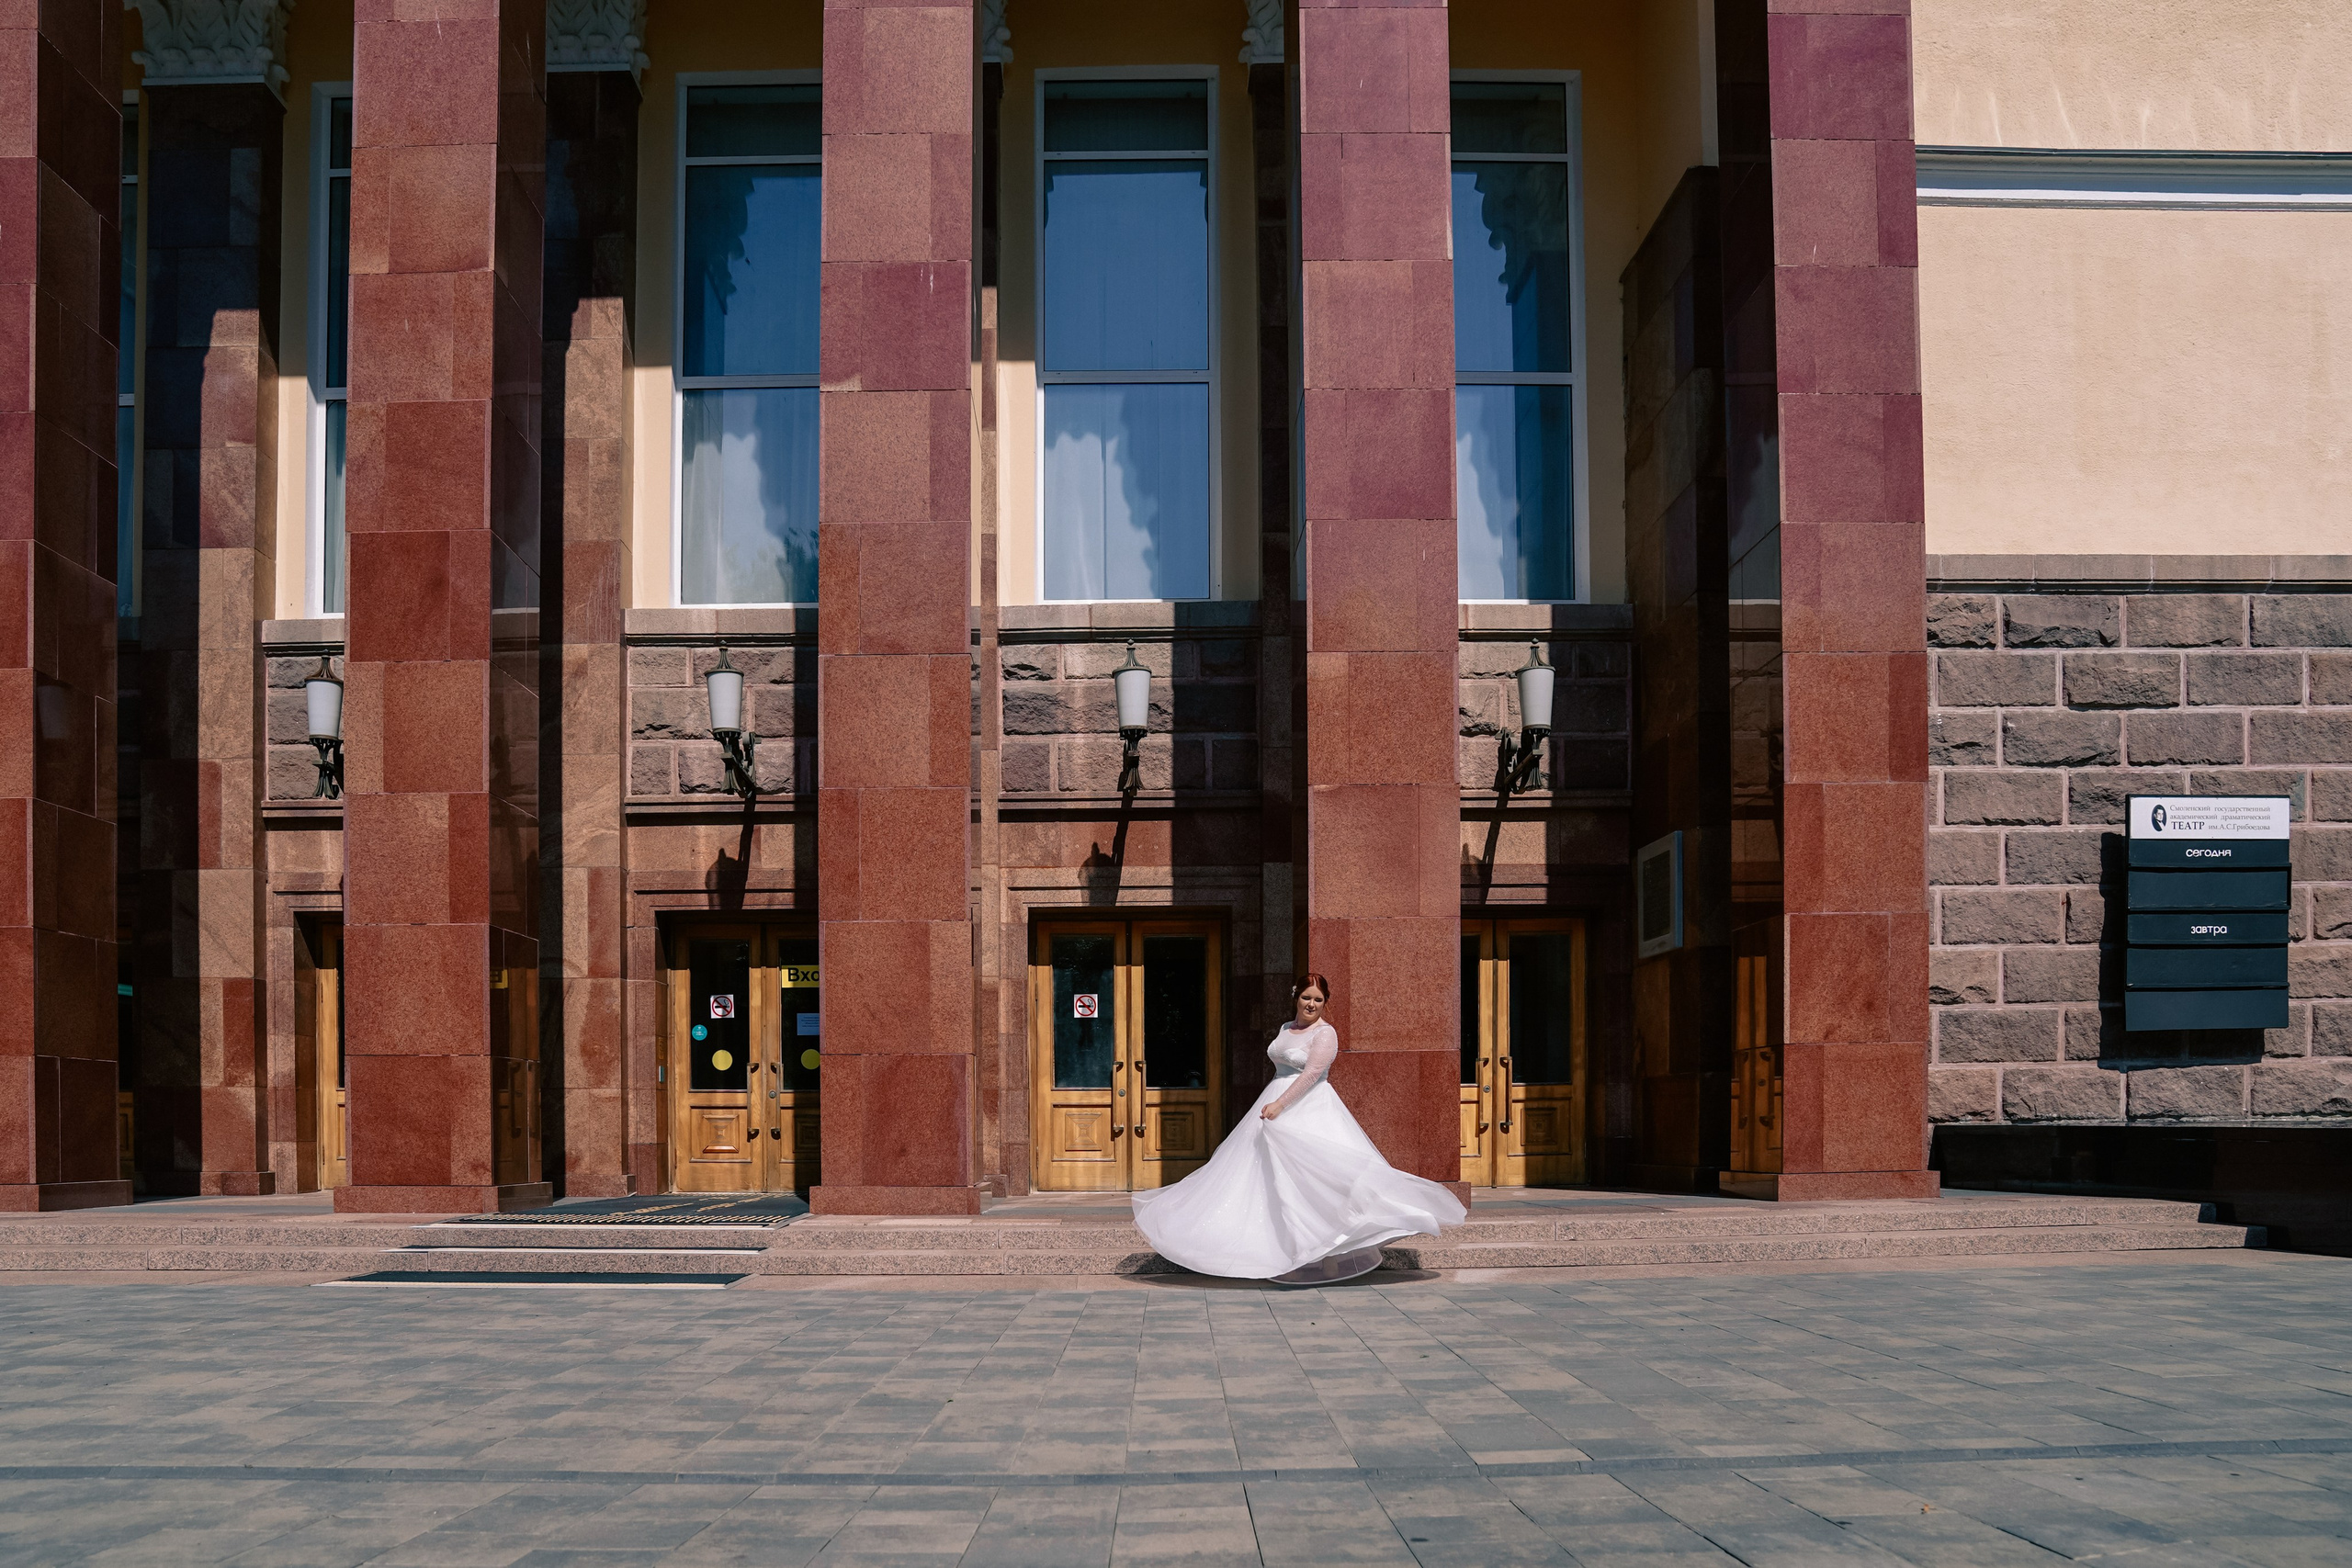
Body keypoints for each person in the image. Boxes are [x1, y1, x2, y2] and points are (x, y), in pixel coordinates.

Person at [1131, 972, 1467, 1282]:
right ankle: (1281, 1248)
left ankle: (1331, 1256)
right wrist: (1273, 1103)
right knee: (1268, 1180)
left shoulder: (1326, 1033)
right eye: (1307, 997)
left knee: (1320, 1181)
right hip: (1273, 1103)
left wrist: (1280, 1104)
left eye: (1318, 1000)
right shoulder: (1284, 1029)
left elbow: (1311, 1075)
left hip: (1308, 1107)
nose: (1311, 1004)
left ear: (1325, 1003)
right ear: (1296, 997)